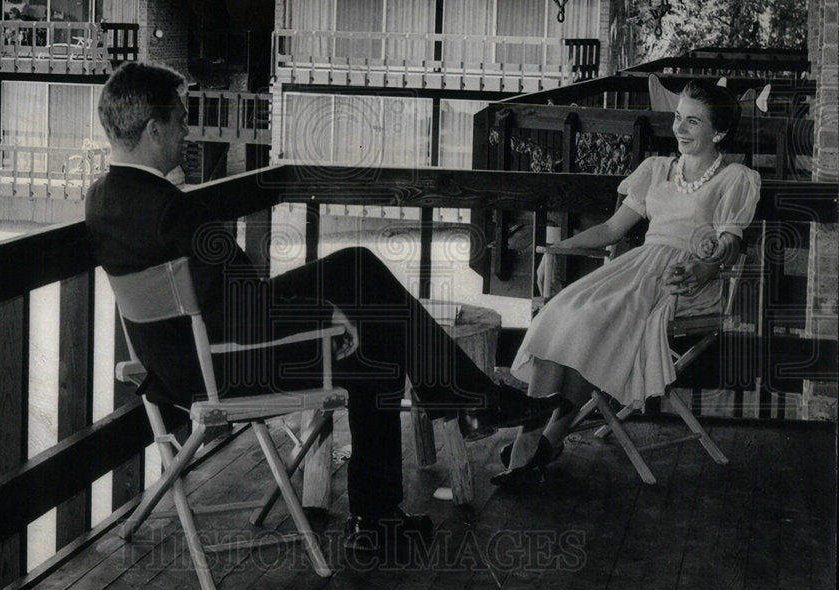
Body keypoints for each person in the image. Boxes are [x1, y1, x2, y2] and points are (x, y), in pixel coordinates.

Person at [85, 62, 564, 551]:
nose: (188, 130)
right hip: (225, 362)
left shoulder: (101, 199)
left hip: (176, 365)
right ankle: (389, 506)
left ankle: (465, 403)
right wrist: (324, 317)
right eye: (183, 119)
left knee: (356, 266)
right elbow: (247, 312)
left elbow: (232, 298)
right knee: (376, 352)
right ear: (154, 128)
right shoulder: (175, 209)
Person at [494, 79, 761, 488]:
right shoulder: (656, 171)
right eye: (678, 118)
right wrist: (556, 250)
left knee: (591, 321)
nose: (681, 129)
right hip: (637, 268)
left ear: (718, 132)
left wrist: (704, 268)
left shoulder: (735, 178)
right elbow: (612, 229)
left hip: (684, 279)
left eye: (693, 122)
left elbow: (728, 242)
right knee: (560, 311)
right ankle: (536, 434)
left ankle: (543, 441)